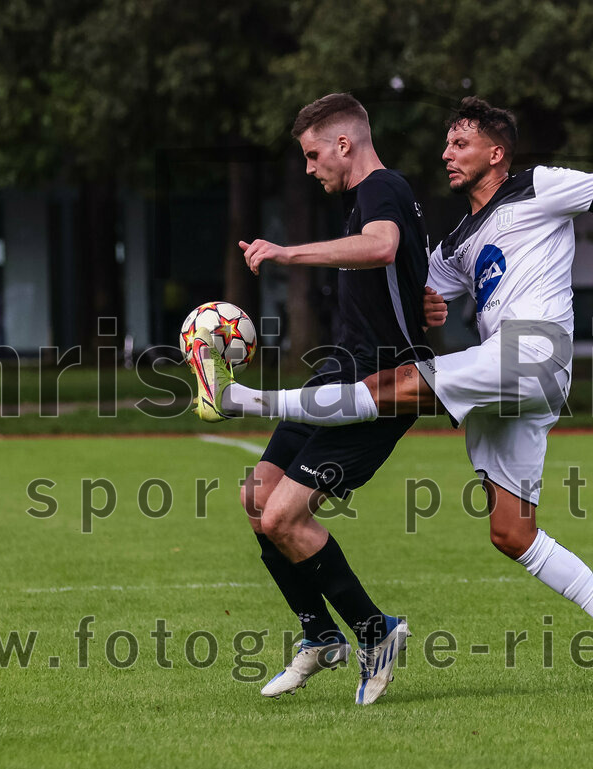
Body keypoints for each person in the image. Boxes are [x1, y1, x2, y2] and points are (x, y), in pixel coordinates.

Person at [194, 97, 593, 698]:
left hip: (531, 352)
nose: (446, 154)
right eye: (446, 144)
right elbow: (422, 287)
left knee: (389, 388)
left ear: (495, 153)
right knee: (511, 532)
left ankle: (239, 398)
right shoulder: (460, 242)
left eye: (460, 144)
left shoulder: (539, 186)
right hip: (513, 384)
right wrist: (430, 301)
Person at [189, 93, 431, 705]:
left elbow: (381, 246)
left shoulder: (382, 188)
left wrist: (285, 254)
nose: (308, 166)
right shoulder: (371, 199)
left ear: (344, 144)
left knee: (282, 517)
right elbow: (402, 270)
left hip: (383, 387)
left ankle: (378, 633)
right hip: (343, 370)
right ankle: (321, 635)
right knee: (256, 500)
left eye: (313, 153)